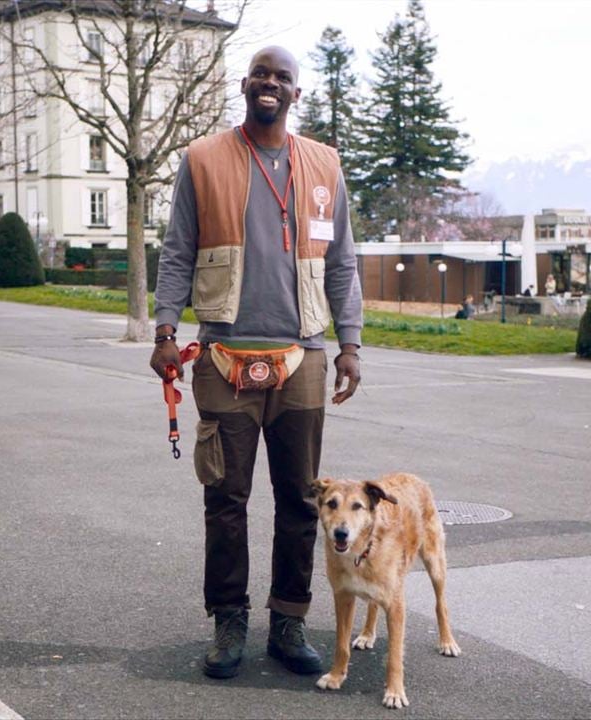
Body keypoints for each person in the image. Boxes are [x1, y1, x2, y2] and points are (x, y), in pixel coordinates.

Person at [150, 45, 362, 681]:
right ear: (245, 85)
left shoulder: (324, 165)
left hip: (304, 356)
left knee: (302, 500)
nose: (271, 83)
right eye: (262, 74)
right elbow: (177, 251)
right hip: (223, 354)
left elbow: (343, 262)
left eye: (283, 77)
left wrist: (349, 343)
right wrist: (166, 331)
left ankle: (289, 620)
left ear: (296, 94)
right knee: (225, 499)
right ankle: (229, 621)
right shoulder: (204, 159)